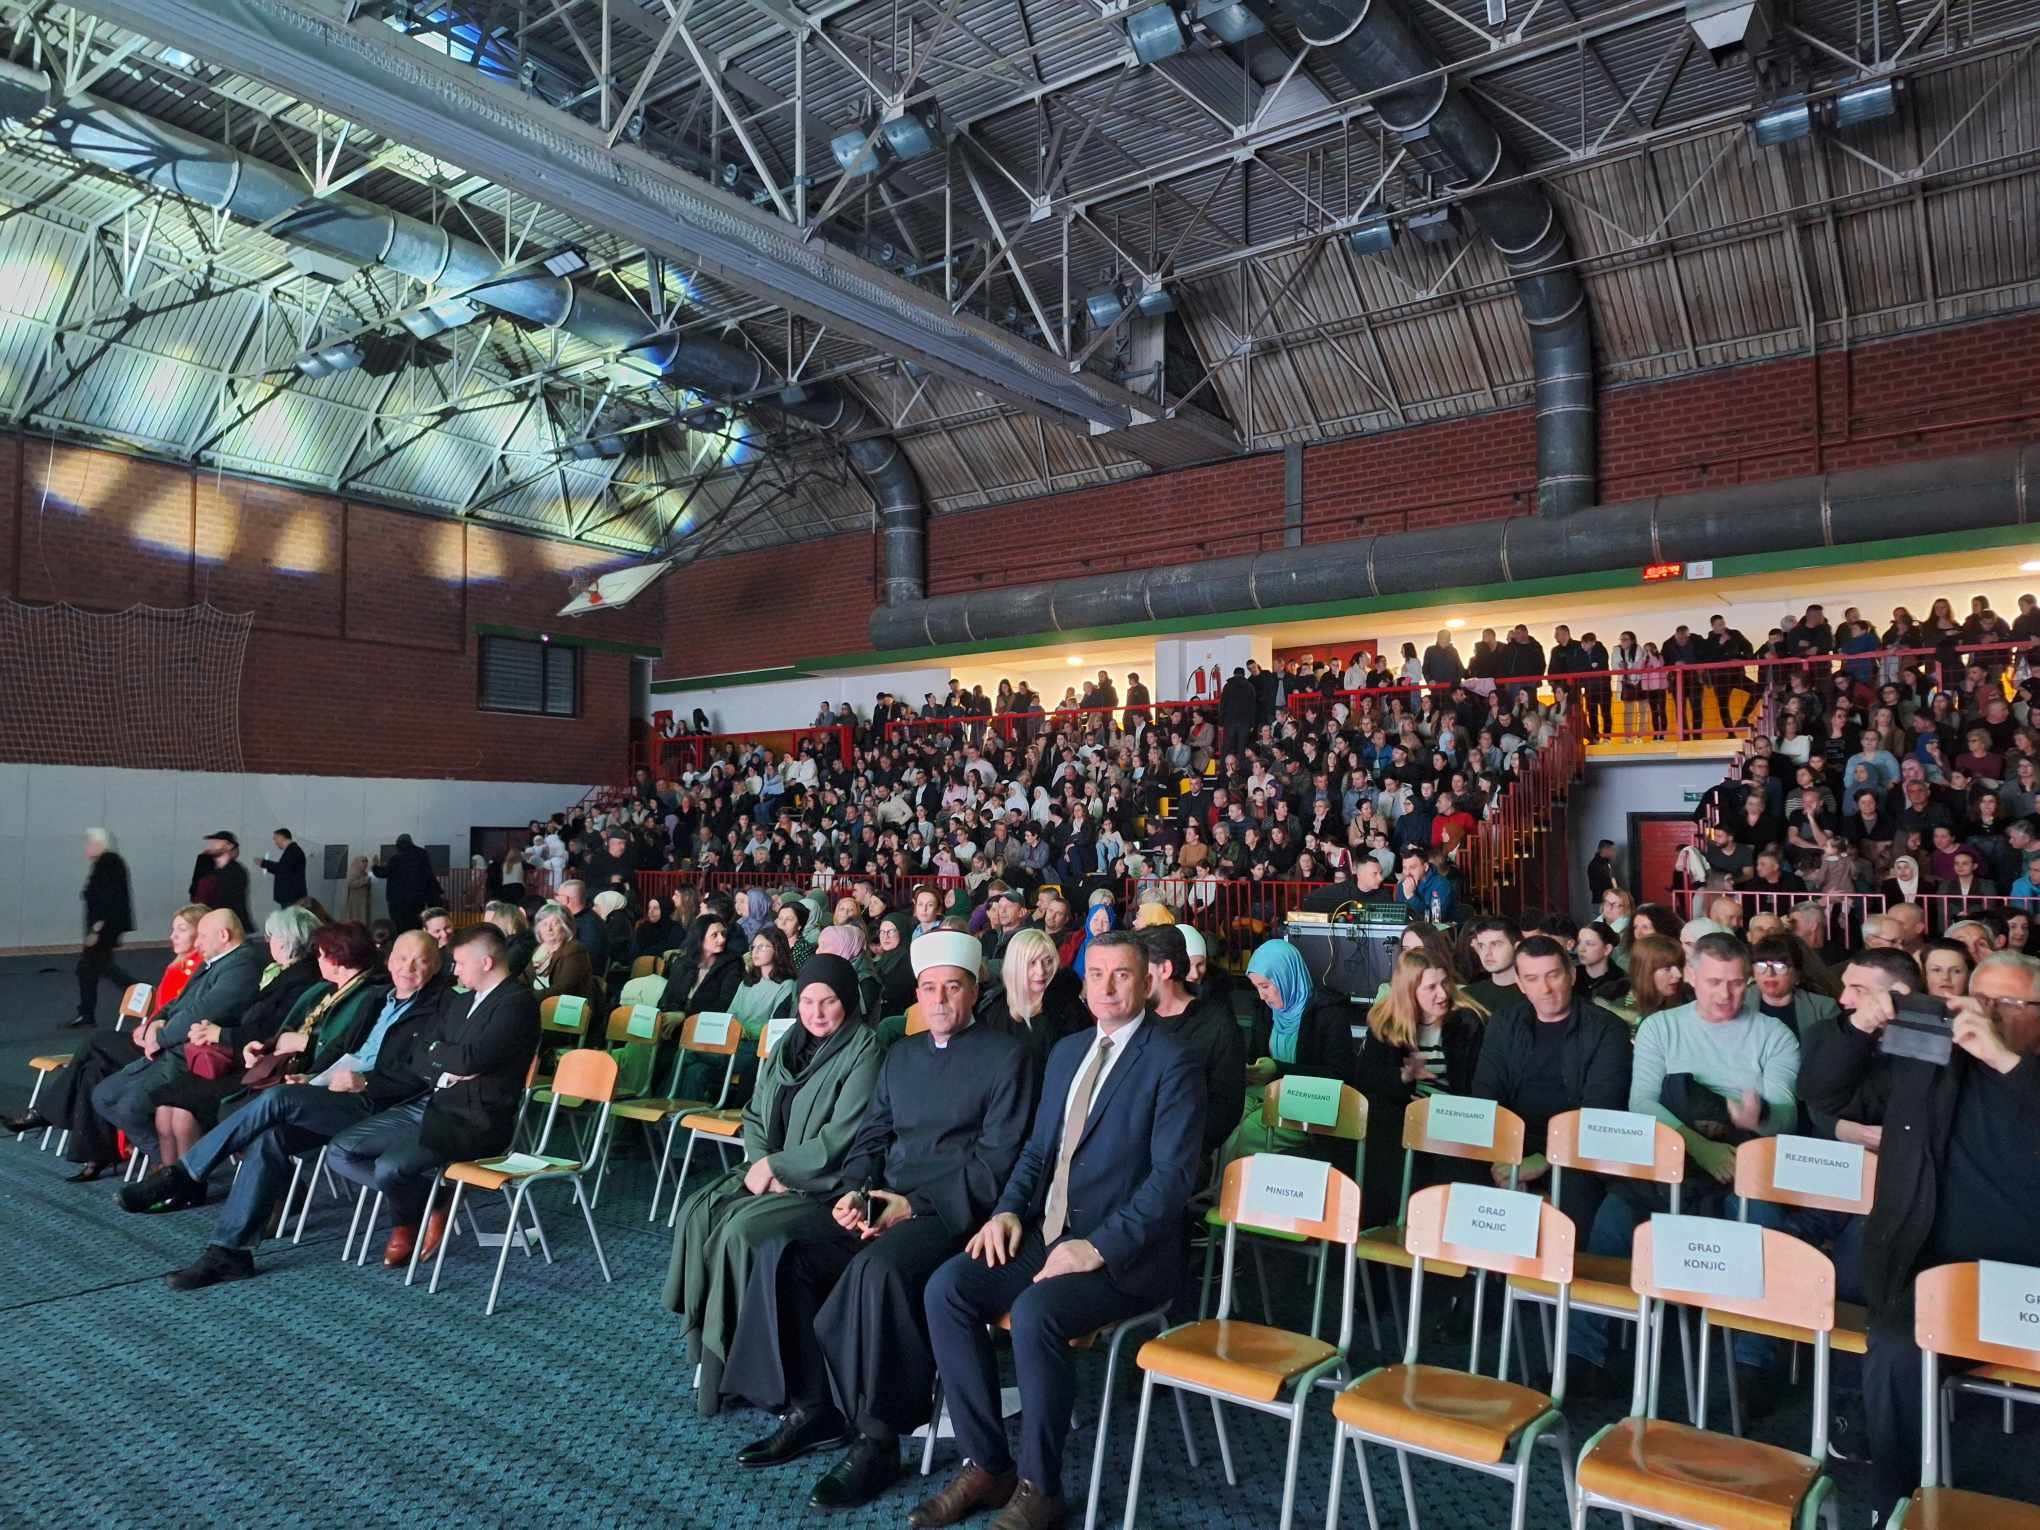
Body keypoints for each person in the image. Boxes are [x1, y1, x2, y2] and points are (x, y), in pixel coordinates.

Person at [722, 932, 1035, 1511]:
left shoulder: (1006, 1057)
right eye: (929, 988)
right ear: (917, 994)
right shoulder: (902, 1054)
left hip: (951, 1212)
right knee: (784, 1249)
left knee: (879, 1271)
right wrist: (856, 1193)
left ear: (974, 991)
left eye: (953, 987)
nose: (939, 999)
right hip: (883, 1199)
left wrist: (908, 1207)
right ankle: (813, 1408)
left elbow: (996, 1164)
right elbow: (872, 1138)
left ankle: (877, 1439)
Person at [916, 932, 1203, 1530]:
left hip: (1126, 1257)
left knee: (1037, 1311)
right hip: (1049, 1234)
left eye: (1121, 975)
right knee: (948, 1289)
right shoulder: (1069, 1051)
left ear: (1147, 981)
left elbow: (1171, 1182)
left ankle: (1040, 1487)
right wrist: (1005, 1211)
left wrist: (1096, 1247)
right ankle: (987, 1464)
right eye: (1096, 974)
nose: (1107, 987)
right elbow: (1036, 1150)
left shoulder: (1172, 1060)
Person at [1801, 949, 2040, 1506]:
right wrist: (1859, 1027)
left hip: (2031, 1279)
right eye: (1980, 1000)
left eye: (2006, 1003)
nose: (1987, 1014)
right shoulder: (1931, 1064)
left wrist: (2005, 1061)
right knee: (1892, 1347)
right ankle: (1896, 1506)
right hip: (1943, 1277)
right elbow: (1824, 1093)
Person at [1570, 933, 1802, 1404]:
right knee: (1612, 1221)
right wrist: (1699, 1147)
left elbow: (1786, 1115)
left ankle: (1752, 1362)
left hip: (1744, 1156)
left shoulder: (1774, 1035)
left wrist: (1756, 1116)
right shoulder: (1661, 1027)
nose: (1725, 994)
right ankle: (1584, 1355)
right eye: (1714, 982)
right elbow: (1642, 1102)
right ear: (1691, 977)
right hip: (1671, 1154)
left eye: (1735, 983)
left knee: (1761, 1223)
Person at [665, 955, 883, 1416]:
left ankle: (747, 1371)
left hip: (823, 1187)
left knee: (739, 1233)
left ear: (848, 1002)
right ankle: (712, 1354)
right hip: (769, 1171)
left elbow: (841, 1137)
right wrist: (762, 1163)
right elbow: (754, 1112)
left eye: (828, 1001)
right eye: (807, 1001)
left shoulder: (865, 1050)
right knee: (697, 1211)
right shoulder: (788, 1045)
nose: (816, 1012)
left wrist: (778, 1168)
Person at [325, 923, 541, 1268]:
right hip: (433, 1104)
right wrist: (447, 1058)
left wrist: (444, 1054)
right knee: (340, 1151)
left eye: (460, 963)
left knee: (389, 1167)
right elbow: (422, 1053)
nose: (455, 970)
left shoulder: (516, 1004)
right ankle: (434, 1199)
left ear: (485, 963)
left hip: (475, 1119)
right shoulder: (462, 1001)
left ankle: (405, 1222)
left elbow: (470, 1060)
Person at [1471, 935, 1632, 1231]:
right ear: (1520, 983)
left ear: (1571, 975)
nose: (1544, 989)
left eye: (1553, 975)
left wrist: (1545, 1159)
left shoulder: (1607, 1029)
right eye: (1532, 979)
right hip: (1512, 1141)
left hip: (1578, 1149)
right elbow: (1487, 1094)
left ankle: (1566, 1261)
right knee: (1457, 1168)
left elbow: (1600, 1111)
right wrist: (1506, 1162)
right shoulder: (1504, 1022)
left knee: (1576, 1185)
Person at [144, 906, 327, 1165]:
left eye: (271, 936)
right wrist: (212, 1030)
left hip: (262, 1064)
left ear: (287, 941)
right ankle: (169, 1174)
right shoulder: (281, 972)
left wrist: (219, 1033)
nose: (268, 942)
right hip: (245, 1054)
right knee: (166, 1106)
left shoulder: (302, 979)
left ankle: (185, 1180)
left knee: (182, 1108)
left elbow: (270, 1030)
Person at [87, 909, 267, 1170]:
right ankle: (165, 1162)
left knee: (129, 1106)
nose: (197, 942)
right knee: (103, 1095)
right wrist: (155, 1022)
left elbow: (202, 1010)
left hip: (191, 1056)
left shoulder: (242, 965)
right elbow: (177, 1002)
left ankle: (173, 1169)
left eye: (202, 936)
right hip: (172, 1048)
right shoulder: (216, 960)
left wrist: (159, 1037)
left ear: (223, 935)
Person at [1139, 924, 1244, 1163]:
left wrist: (1179, 1145)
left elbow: (1225, 1107)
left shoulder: (1217, 1024)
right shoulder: (1135, 1016)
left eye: (1140, 968)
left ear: (1165, 969)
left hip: (1182, 1155)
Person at [980, 927, 1086, 1087]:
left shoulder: (1069, 1010)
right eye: (1032, 963)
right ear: (1015, 966)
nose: (1041, 971)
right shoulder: (993, 1010)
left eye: (1048, 961)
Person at [71, 827, 136, 1029]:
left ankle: (146, 995)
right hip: (106, 927)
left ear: (100, 844)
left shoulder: (108, 863)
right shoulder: (109, 862)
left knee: (95, 968)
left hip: (103, 928)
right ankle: (86, 1013)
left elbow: (107, 899)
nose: (87, 847)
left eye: (90, 843)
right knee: (95, 969)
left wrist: (96, 930)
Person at [373, 833, 441, 933]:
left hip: (398, 900)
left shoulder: (397, 858)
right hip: (417, 898)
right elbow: (428, 875)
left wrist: (375, 866)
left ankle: (403, 941)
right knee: (416, 923)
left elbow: (384, 873)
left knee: (400, 926)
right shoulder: (422, 855)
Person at [1461, 916, 1522, 1014]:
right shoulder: (1468, 996)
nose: (1487, 953)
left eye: (1495, 944)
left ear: (1517, 947)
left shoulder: (1534, 996)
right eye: (1481, 945)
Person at [199, 830, 253, 930]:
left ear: (229, 846)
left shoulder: (236, 872)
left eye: (217, 842)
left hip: (229, 927)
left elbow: (225, 902)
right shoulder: (213, 871)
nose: (212, 845)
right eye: (212, 842)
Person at [258, 827, 308, 909]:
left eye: (276, 839)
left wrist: (264, 863)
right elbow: (283, 869)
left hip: (291, 897)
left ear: (282, 837)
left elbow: (282, 869)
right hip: (291, 896)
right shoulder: (292, 850)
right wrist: (265, 865)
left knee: (290, 917)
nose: (275, 842)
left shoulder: (293, 851)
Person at [344, 854, 373, 924]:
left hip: (363, 900)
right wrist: (365, 880)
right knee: (355, 918)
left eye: (366, 861)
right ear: (357, 862)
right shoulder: (353, 871)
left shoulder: (364, 873)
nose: (365, 863)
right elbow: (351, 883)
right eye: (363, 861)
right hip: (355, 901)